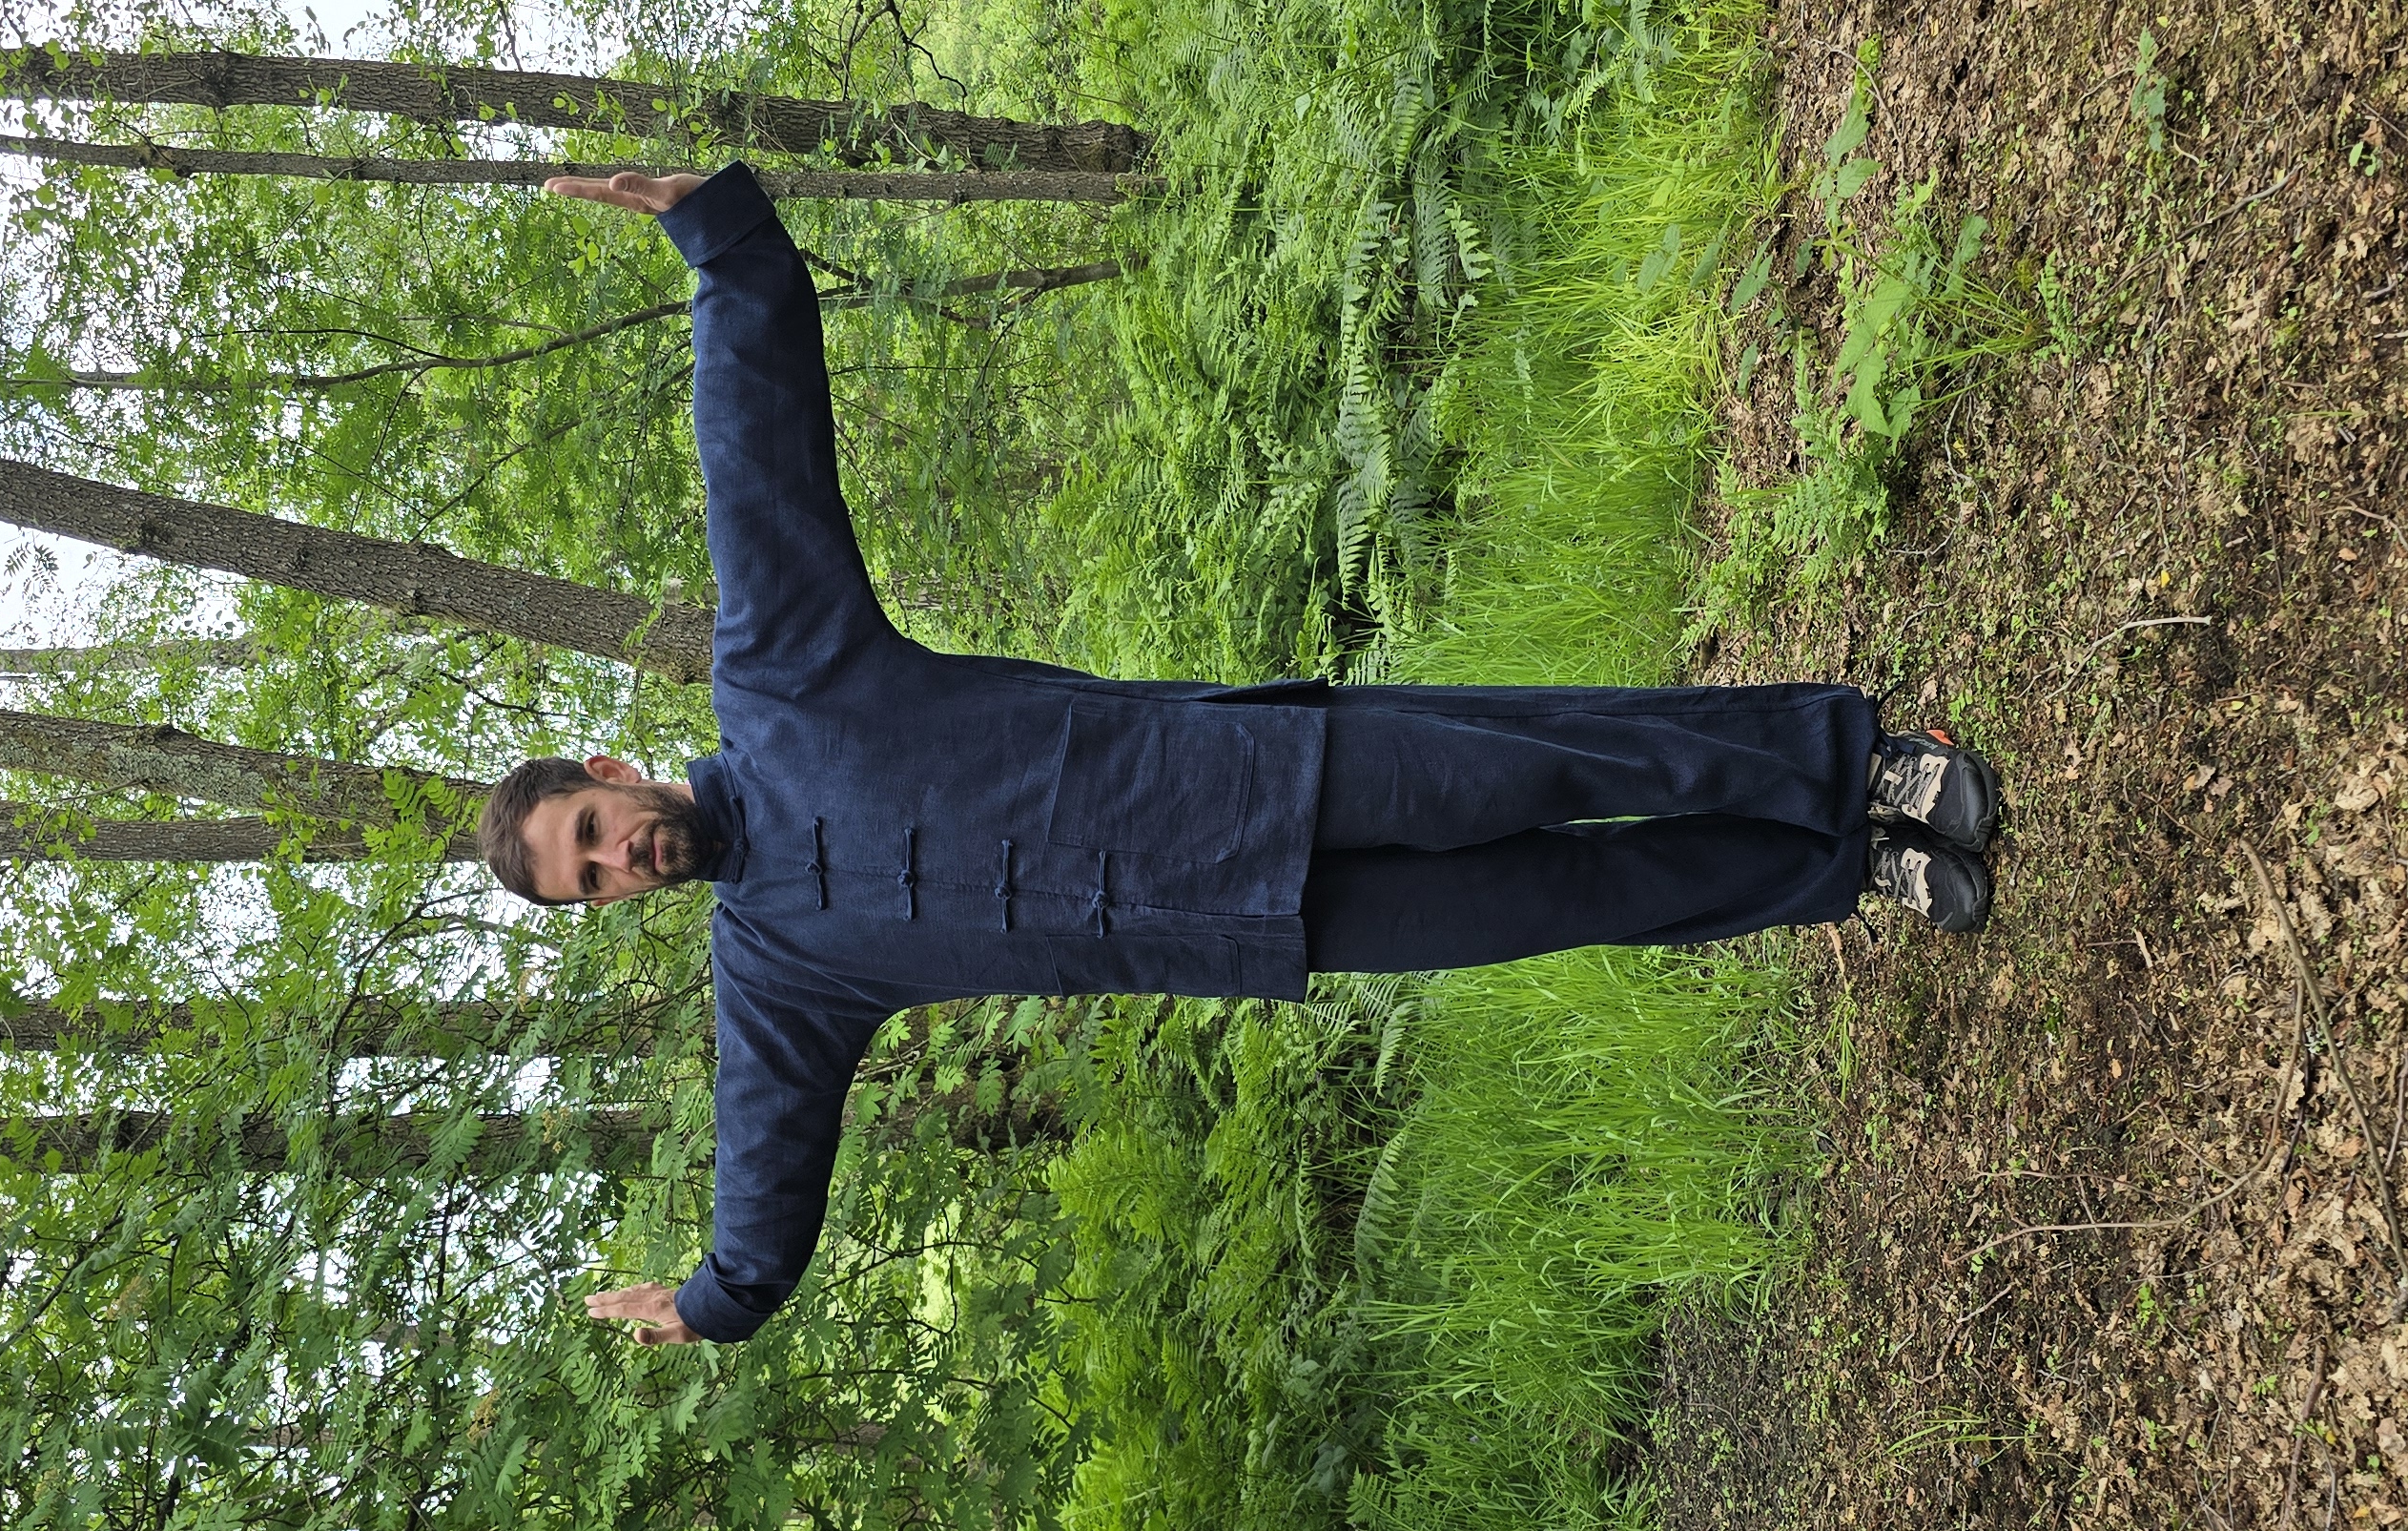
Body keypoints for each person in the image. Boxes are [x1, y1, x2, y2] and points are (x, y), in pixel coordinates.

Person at [512, 164, 2001, 1347]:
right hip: (1252, 924)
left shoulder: (782, 683)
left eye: (591, 828)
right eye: (590, 885)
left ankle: (1857, 762)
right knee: (1571, 899)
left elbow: (758, 474)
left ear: (612, 776)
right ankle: (1844, 869)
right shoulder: (780, 972)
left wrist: (719, 241)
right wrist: (718, 1299)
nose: (616, 863)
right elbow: (768, 1164)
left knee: (1558, 761)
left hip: (1255, 775)